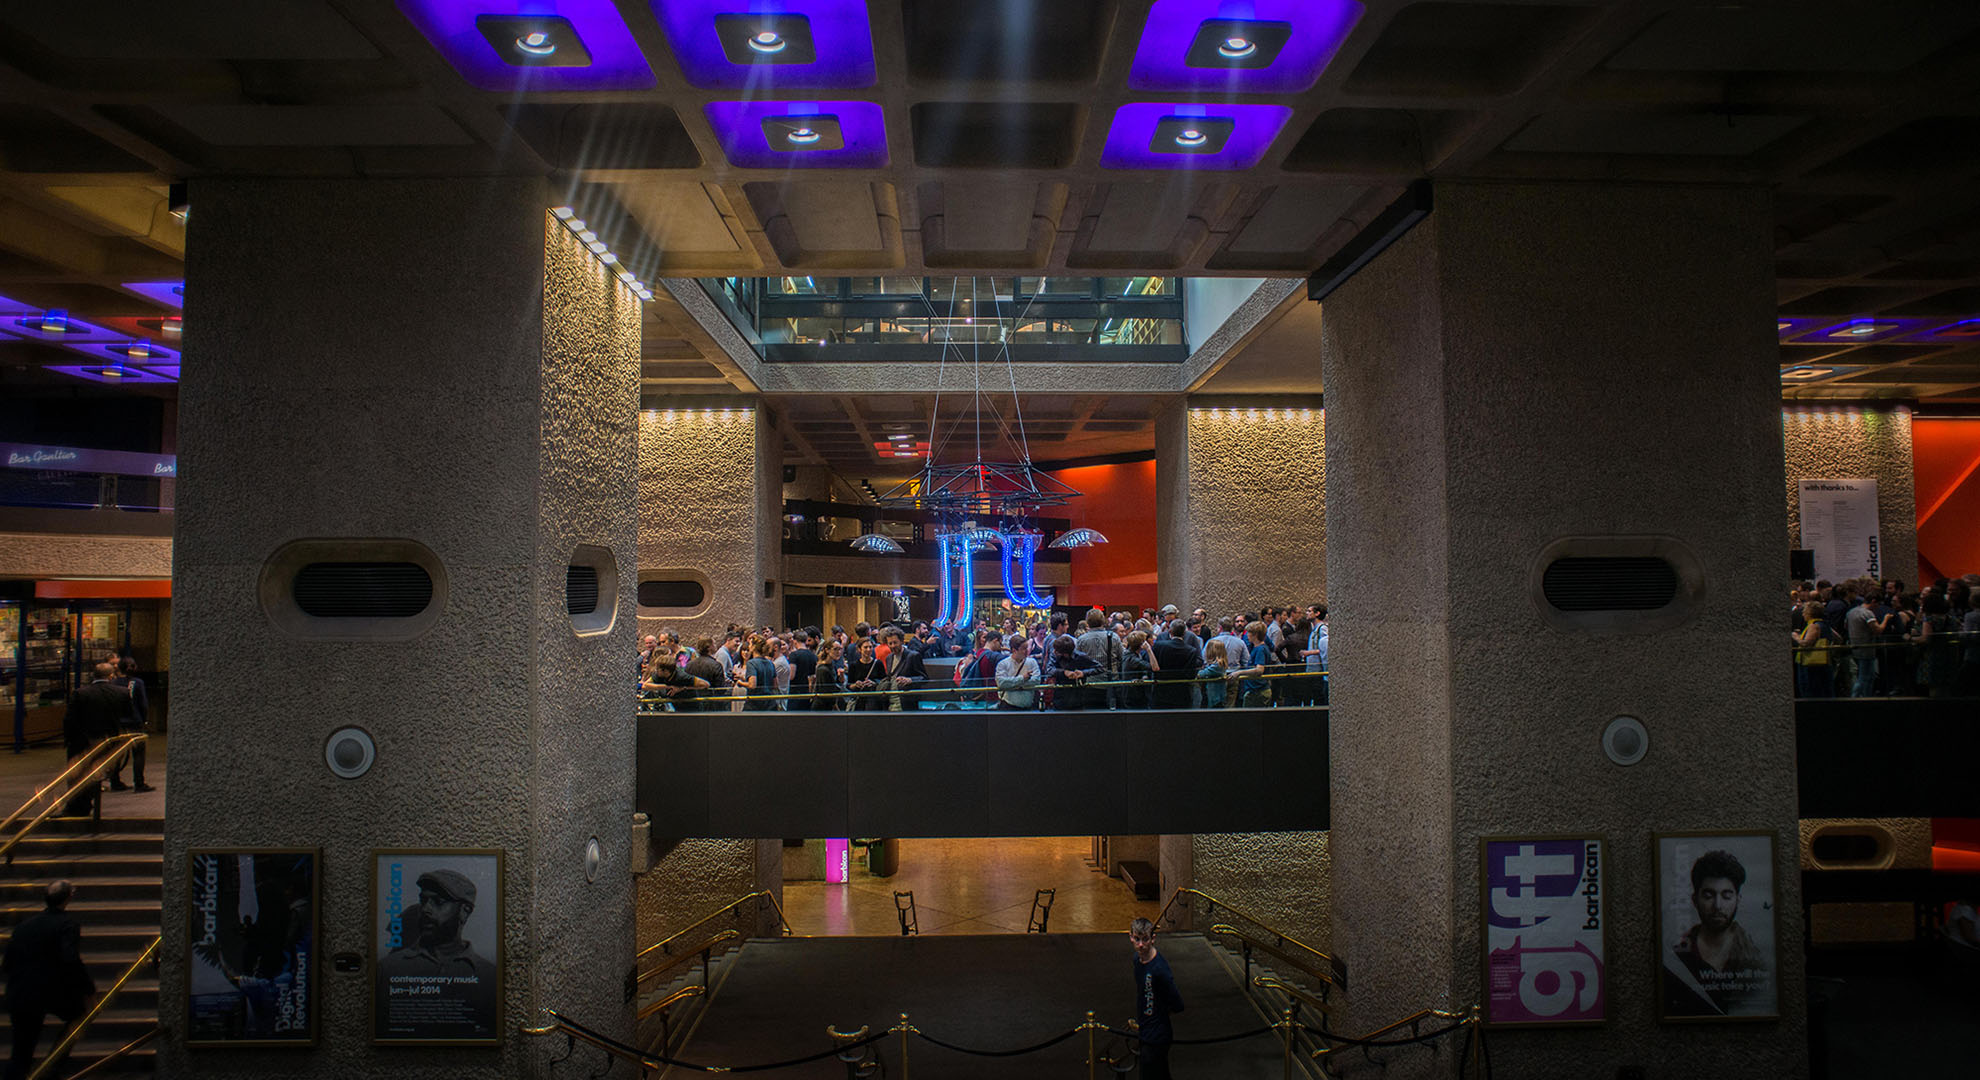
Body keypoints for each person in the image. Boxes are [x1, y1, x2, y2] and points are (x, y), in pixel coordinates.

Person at [377, 868, 498, 1035]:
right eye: (423, 900)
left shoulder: (489, 976)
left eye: (438, 901)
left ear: (465, 911)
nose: (426, 909)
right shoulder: (387, 969)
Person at [3, 880, 95, 1080]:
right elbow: (70, 960)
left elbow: (8, 963)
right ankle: (54, 1065)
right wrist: (87, 988)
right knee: (78, 1015)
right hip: (48, 992)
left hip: (20, 993)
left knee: (21, 1052)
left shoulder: (24, 926)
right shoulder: (67, 925)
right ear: (69, 897)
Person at [1663, 849, 1769, 1017]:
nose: (1718, 905)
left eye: (1726, 896)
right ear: (1695, 900)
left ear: (1738, 900)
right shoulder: (1676, 959)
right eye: (1708, 895)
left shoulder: (1757, 958)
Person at [61, 661, 126, 816]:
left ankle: (77, 805)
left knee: (77, 775)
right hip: (108, 740)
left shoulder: (81, 693)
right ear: (111, 676)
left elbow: (69, 719)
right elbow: (127, 715)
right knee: (96, 772)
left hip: (82, 741)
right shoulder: (121, 693)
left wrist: (69, 739)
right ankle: (91, 800)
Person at [1128, 917, 1184, 1080]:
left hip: (1158, 1034)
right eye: (1137, 939)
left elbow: (1177, 1003)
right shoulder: (1137, 961)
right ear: (1131, 937)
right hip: (1146, 1029)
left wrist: (1158, 1014)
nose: (1140, 945)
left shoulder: (1160, 970)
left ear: (1153, 938)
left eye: (1145, 939)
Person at [105, 657, 152, 792]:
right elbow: (143, 704)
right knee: (138, 753)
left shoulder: (113, 683)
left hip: (118, 723)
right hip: (135, 721)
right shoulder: (138, 683)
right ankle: (139, 782)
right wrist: (144, 719)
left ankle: (115, 781)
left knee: (117, 753)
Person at [1150, 620, 1200, 710]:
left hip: (1161, 691)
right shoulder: (1191, 651)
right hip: (1182, 693)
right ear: (1185, 633)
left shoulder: (1159, 646)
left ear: (1170, 631)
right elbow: (1191, 674)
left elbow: (1152, 666)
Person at [1791, 601, 1833, 699]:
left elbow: (1806, 643)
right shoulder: (1824, 624)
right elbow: (1838, 638)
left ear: (1810, 613)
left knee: (1810, 690)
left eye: (1805, 611)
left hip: (1811, 664)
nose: (1803, 614)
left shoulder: (1814, 626)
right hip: (1825, 662)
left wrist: (1796, 637)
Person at [995, 635, 1042, 710]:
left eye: (1027, 647)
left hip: (1029, 707)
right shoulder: (1003, 664)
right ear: (1014, 650)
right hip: (1008, 706)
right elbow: (1001, 683)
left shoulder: (1032, 662)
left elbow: (1036, 680)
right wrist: (1022, 678)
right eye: (1024, 648)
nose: (1027, 651)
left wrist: (1012, 684)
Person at [845, 637, 887, 711]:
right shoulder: (853, 665)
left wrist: (874, 683)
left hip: (875, 701)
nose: (868, 650)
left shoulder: (878, 663)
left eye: (870, 647)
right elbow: (849, 685)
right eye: (865, 647)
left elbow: (884, 681)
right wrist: (856, 685)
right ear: (859, 649)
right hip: (859, 701)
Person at [787, 632, 818, 712]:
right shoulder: (813, 655)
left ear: (795, 641)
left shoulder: (794, 655)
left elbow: (791, 676)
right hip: (808, 691)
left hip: (795, 692)